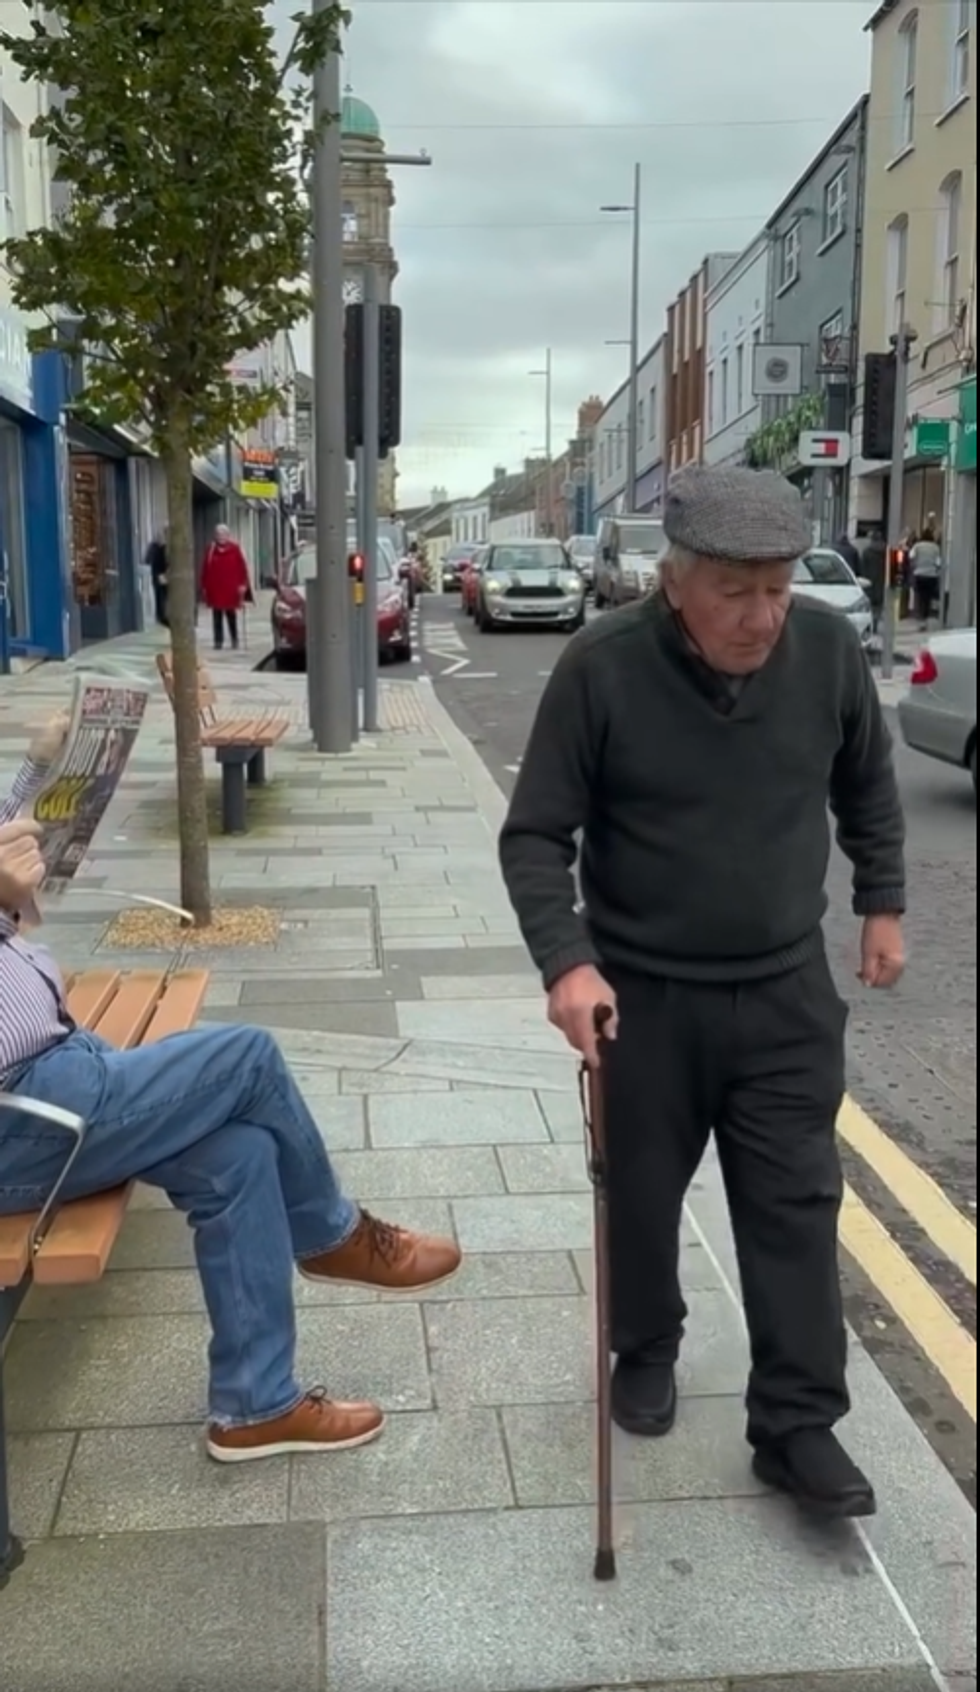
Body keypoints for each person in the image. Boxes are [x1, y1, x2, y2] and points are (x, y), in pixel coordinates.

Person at [499, 465, 907, 1522]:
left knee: (794, 1203)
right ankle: (645, 1344)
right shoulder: (601, 666)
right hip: (642, 993)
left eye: (775, 588)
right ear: (671, 580)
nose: (762, 616)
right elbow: (536, 833)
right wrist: (566, 961)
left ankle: (796, 1424)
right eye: (735, 590)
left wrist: (880, 901)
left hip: (782, 990)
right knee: (638, 1190)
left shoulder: (822, 652)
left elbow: (864, 779)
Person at [0, 731, 462, 1462]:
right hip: (25, 1114)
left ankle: (255, 1405)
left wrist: (40, 762)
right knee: (248, 1056)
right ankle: (332, 1236)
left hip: (62, 1072)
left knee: (240, 1154)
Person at [200, 525, 252, 650]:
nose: (221, 536)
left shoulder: (235, 549)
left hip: (231, 588)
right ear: (215, 535)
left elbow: (242, 568)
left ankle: (234, 640)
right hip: (215, 588)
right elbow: (205, 568)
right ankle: (218, 641)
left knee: (231, 614)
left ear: (228, 535)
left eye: (223, 534)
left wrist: (243, 584)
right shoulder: (211, 549)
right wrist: (203, 586)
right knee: (216, 615)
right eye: (218, 534)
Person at [909, 523, 943, 629]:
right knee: (928, 598)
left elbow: (911, 556)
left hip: (919, 574)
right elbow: (938, 562)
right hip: (931, 575)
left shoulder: (917, 546)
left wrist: (915, 565)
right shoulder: (935, 547)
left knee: (920, 597)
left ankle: (921, 620)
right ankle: (927, 618)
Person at [860, 528, 888, 634]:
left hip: (869, 580)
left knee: (870, 604)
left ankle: (872, 624)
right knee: (879, 604)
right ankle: (876, 622)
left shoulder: (867, 552)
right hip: (881, 580)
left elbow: (863, 568)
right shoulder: (885, 551)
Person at [145, 530, 169, 628]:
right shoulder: (154, 547)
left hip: (167, 575)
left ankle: (164, 616)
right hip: (158, 575)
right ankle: (161, 616)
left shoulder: (167, 547)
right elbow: (148, 560)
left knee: (166, 597)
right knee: (160, 597)